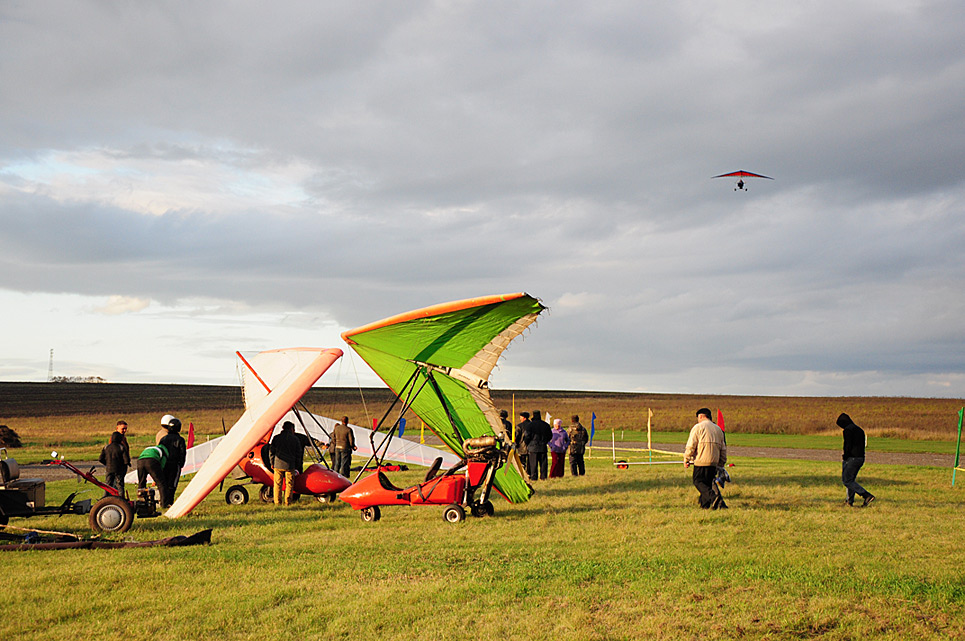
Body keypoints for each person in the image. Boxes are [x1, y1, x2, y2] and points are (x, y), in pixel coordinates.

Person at [684, 408, 728, 509]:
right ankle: (705, 507)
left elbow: (691, 445)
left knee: (698, 482)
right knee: (707, 484)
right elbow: (723, 448)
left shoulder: (698, 427)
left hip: (701, 461)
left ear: (700, 416)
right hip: (713, 463)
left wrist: (687, 458)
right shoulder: (718, 430)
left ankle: (715, 499)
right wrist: (721, 463)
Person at [837, 413, 875, 507]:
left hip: (852, 458)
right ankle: (849, 502)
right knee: (851, 480)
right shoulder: (859, 429)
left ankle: (866, 495)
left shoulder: (848, 430)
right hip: (860, 458)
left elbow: (848, 444)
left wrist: (845, 455)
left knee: (847, 480)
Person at [269, 421, 303, 506]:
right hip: (290, 465)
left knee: (277, 484)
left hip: (278, 465)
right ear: (291, 429)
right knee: (289, 484)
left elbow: (271, 452)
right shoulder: (295, 439)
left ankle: (277, 502)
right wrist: (297, 465)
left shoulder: (276, 438)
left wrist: (272, 462)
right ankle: (287, 502)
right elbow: (298, 453)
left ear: (283, 428)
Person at [157, 415, 187, 509]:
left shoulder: (163, 439)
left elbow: (160, 451)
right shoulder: (180, 440)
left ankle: (163, 502)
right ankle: (170, 502)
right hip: (175, 465)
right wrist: (181, 464)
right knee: (172, 484)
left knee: (164, 483)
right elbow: (182, 453)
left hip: (164, 464)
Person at [136, 442, 170, 508]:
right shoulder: (165, 452)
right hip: (151, 460)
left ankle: (141, 503)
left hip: (140, 461)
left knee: (141, 483)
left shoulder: (152, 448)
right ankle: (164, 504)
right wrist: (156, 479)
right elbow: (162, 466)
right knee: (161, 483)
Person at [524, 410, 552, 481]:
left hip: (532, 447)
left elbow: (527, 436)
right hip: (543, 446)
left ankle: (534, 477)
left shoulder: (530, 425)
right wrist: (545, 441)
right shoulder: (545, 425)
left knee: (533, 464)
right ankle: (543, 477)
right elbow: (550, 436)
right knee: (543, 463)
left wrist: (528, 443)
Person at [99, 432, 127, 496]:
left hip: (109, 469)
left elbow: (100, 459)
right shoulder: (121, 447)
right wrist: (124, 465)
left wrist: (107, 463)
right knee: (120, 486)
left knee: (108, 485)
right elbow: (126, 460)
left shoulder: (106, 447)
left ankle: (105, 498)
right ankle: (121, 499)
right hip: (119, 470)